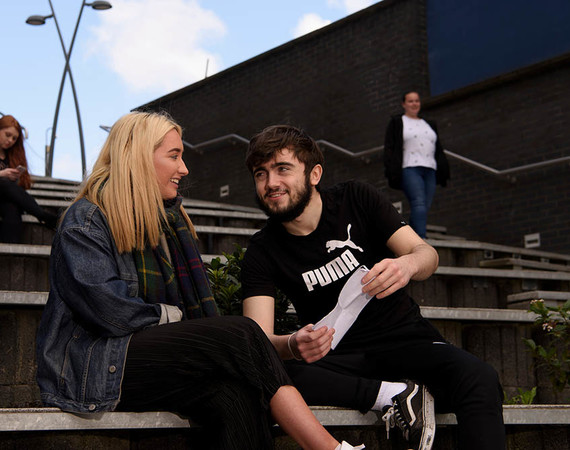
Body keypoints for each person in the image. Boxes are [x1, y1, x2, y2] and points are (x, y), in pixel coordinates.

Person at [35, 111, 365, 450]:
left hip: (150, 361)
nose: (184, 169)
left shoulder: (169, 221)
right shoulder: (86, 219)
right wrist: (174, 317)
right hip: (96, 368)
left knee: (236, 394)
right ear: (137, 156)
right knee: (241, 332)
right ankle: (329, 448)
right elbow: (109, 311)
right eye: (174, 156)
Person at [241, 125, 505, 450]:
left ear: (314, 174)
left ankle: (402, 393)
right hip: (341, 361)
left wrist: (406, 265)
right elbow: (258, 340)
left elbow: (426, 254)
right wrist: (293, 344)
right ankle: (393, 396)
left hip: (406, 340)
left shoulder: (356, 198)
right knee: (267, 372)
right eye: (260, 174)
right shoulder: (261, 250)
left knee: (479, 377)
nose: (271, 184)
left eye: (283, 169)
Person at [383, 91, 450, 238]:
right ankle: (421, 238)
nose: (414, 104)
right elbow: (389, 147)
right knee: (418, 202)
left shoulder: (429, 124)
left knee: (424, 205)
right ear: (404, 104)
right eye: (411, 101)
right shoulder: (397, 122)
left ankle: (411, 235)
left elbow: (438, 147)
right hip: (409, 167)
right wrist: (390, 167)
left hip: (430, 168)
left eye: (417, 101)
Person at [0, 114, 58, 243]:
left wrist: (15, 177)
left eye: (14, 138)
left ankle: (8, 256)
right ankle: (41, 214)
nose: (10, 140)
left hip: (4, 199)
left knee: (12, 209)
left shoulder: (12, 155)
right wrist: (3, 174)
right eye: (7, 135)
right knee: (3, 183)